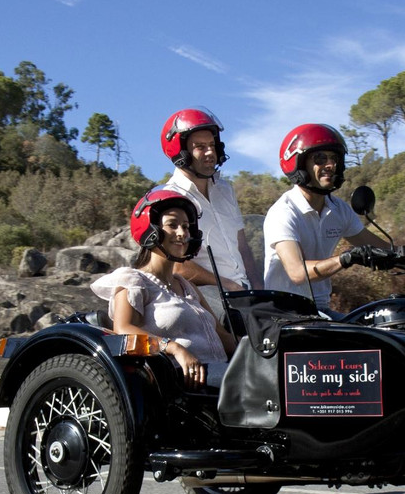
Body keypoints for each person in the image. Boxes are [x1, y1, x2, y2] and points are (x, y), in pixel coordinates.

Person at [90, 189, 236, 388]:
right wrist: (173, 348)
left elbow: (222, 335)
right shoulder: (133, 280)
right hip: (180, 377)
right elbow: (123, 330)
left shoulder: (188, 287)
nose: (182, 233)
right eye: (172, 225)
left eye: (186, 227)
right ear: (151, 230)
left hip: (221, 370)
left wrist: (260, 348)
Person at [263, 123, 385, 319]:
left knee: (385, 328)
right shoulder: (283, 212)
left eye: (334, 158)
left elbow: (381, 247)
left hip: (321, 310)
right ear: (300, 164)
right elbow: (297, 273)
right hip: (286, 314)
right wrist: (346, 258)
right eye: (320, 158)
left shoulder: (338, 209)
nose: (330, 165)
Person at [160, 107, 263, 322]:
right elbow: (176, 266)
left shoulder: (226, 190)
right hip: (203, 293)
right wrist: (225, 284)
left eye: (212, 145)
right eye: (200, 147)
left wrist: (260, 289)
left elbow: (242, 246)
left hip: (242, 291)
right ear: (181, 152)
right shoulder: (169, 198)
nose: (209, 152)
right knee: (237, 322)